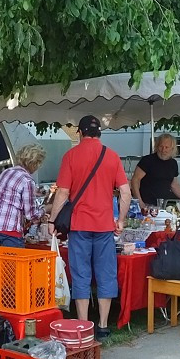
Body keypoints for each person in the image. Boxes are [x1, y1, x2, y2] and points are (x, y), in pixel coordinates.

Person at [48, 115, 131, 339]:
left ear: (80, 132)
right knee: (106, 274)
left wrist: (52, 220)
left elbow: (63, 193)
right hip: (104, 226)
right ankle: (103, 325)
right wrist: (121, 219)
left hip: (79, 226)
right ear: (99, 133)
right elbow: (125, 192)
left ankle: (84, 325)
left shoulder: (71, 156)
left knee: (81, 275)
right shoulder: (112, 156)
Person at [0, 144, 48, 248]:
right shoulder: (27, 180)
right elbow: (31, 215)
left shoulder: (5, 173)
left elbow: (9, 193)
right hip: (10, 230)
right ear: (34, 163)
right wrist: (45, 209)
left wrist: (35, 192)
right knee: (14, 264)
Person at [131, 133, 180, 213]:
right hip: (146, 205)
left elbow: (174, 185)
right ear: (157, 146)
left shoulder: (173, 163)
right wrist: (139, 202)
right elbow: (135, 180)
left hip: (164, 207)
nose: (163, 150)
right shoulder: (147, 160)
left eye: (166, 147)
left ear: (172, 148)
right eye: (161, 146)